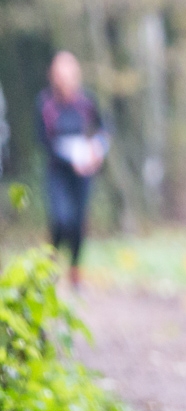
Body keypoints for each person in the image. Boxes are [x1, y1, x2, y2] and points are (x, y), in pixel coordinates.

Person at [35, 52, 108, 288]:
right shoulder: (45, 103)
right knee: (60, 219)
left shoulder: (86, 102)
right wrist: (69, 160)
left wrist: (97, 149)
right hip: (58, 171)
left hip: (83, 172)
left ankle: (75, 273)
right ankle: (49, 267)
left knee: (77, 223)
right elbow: (43, 140)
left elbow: (103, 129)